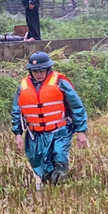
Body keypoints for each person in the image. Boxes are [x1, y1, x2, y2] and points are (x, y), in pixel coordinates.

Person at [11, 52, 88, 189]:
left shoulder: (60, 83)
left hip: (60, 130)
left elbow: (76, 106)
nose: (38, 74)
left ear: (48, 69)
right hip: (36, 134)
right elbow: (17, 111)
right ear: (30, 71)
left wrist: (81, 131)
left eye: (41, 70)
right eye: (35, 71)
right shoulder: (22, 87)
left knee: (59, 156)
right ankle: (48, 185)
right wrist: (18, 134)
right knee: (40, 164)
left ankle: (60, 189)